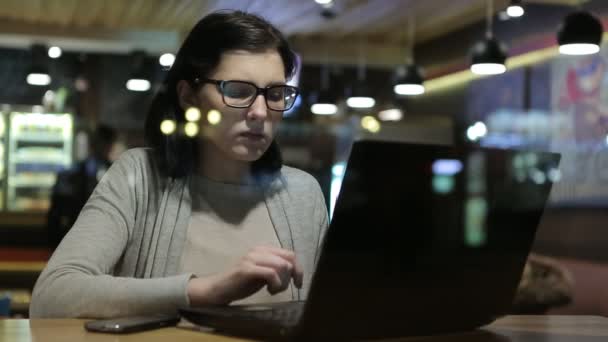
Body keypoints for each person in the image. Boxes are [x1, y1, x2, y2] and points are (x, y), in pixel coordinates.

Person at [30, 10, 328, 318]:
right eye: (238, 91)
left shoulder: (303, 195)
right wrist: (204, 291)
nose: (260, 112)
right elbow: (53, 295)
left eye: (276, 94)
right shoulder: (139, 176)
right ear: (188, 97)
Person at [46, 124, 119, 249]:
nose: (104, 148)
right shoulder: (114, 171)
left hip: (86, 236)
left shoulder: (113, 171)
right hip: (91, 236)